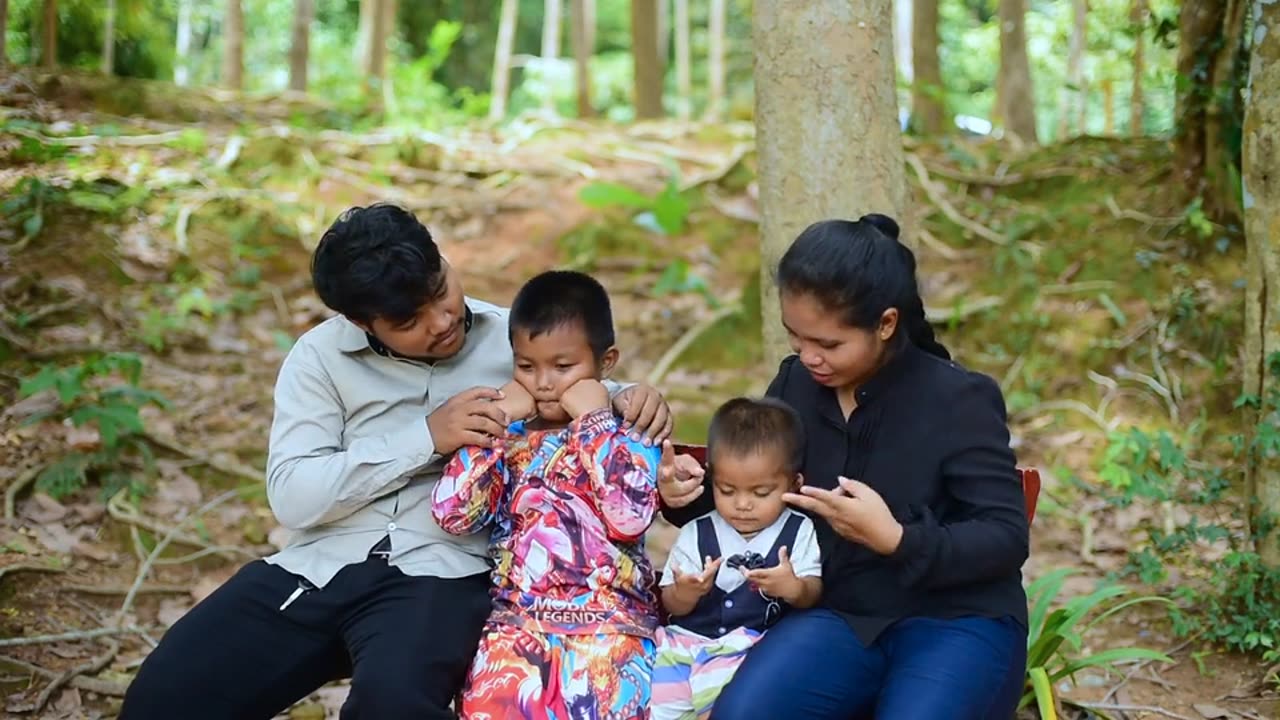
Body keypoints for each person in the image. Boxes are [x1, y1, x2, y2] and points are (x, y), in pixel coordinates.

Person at [119, 205, 674, 720]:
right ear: (363, 324)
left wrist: (632, 398)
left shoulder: (515, 339)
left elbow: (581, 383)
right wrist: (427, 439)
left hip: (441, 574)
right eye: (409, 320)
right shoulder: (320, 359)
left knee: (393, 705)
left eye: (441, 290)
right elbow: (293, 495)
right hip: (320, 565)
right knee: (166, 696)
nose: (440, 321)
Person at [657, 215, 1030, 720]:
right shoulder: (796, 386)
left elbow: (1005, 537)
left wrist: (896, 538)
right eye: (796, 337)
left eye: (829, 345)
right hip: (840, 615)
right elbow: (762, 490)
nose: (809, 357)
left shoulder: (958, 400)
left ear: (886, 324)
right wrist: (691, 497)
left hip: (957, 621)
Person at [433, 270, 660, 719]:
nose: (543, 383)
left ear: (605, 362)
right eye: (527, 366)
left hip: (611, 632)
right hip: (515, 628)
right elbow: (453, 514)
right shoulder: (507, 436)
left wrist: (594, 423)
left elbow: (630, 516)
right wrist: (493, 428)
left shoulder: (628, 432)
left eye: (563, 367)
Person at [651, 396, 822, 720]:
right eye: (727, 491)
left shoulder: (798, 530)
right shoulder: (697, 531)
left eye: (761, 493)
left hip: (752, 650)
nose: (742, 504)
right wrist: (686, 592)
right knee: (656, 709)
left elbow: (812, 591)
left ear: (795, 482)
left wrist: (792, 587)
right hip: (683, 647)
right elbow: (672, 603)